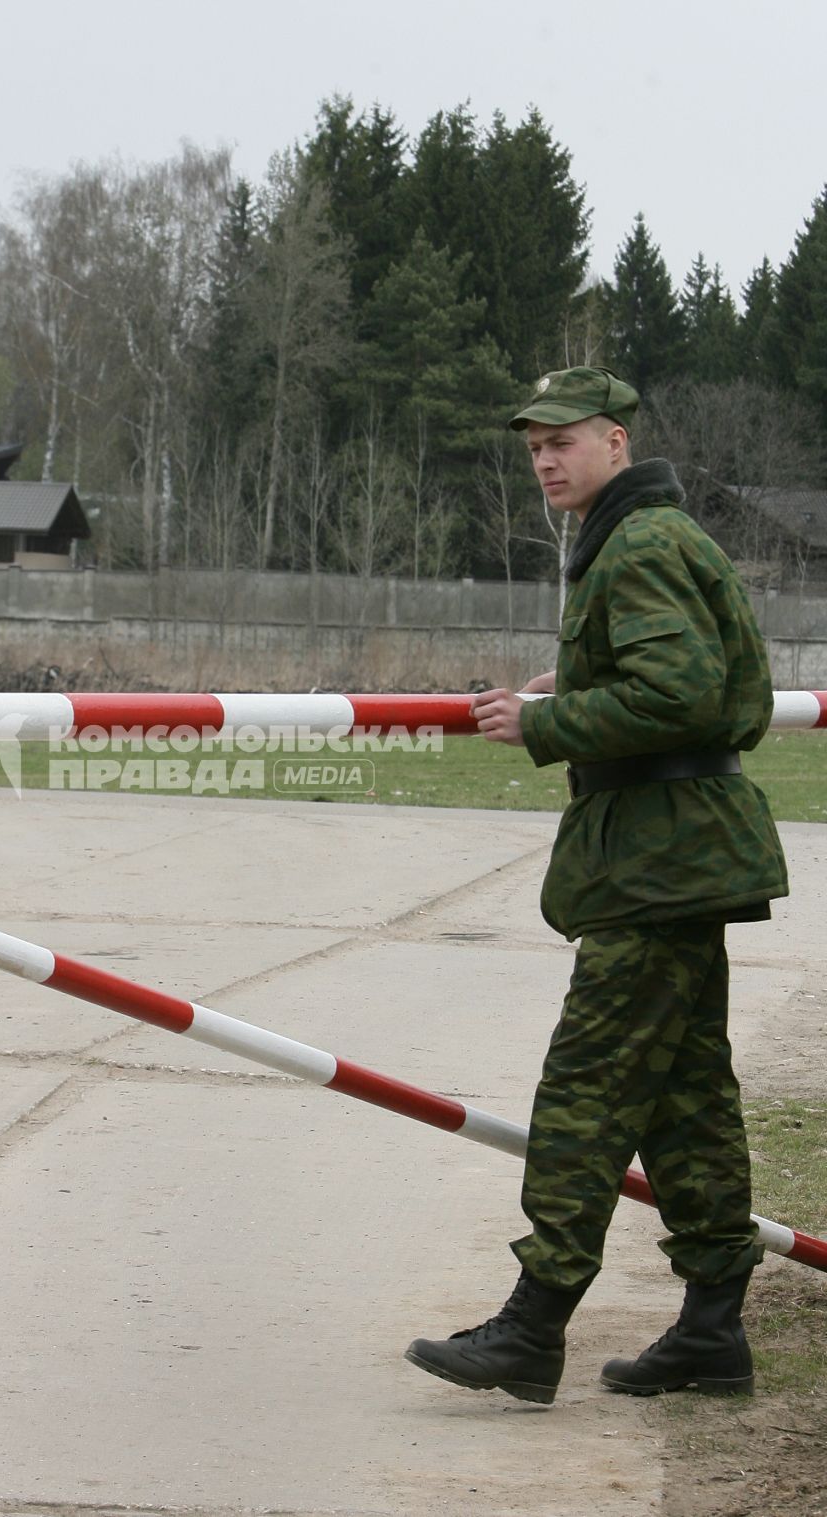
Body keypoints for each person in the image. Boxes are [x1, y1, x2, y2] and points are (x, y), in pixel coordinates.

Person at [404, 365, 789, 1406]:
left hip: (658, 862)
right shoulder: (645, 538)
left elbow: (680, 695)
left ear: (613, 442)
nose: (541, 460)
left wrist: (544, 722)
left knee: (583, 1090)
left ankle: (532, 1326)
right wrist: (568, 686)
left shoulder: (643, 543)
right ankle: (710, 1330)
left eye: (561, 441)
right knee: (683, 1098)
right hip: (670, 854)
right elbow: (701, 687)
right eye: (530, 445)